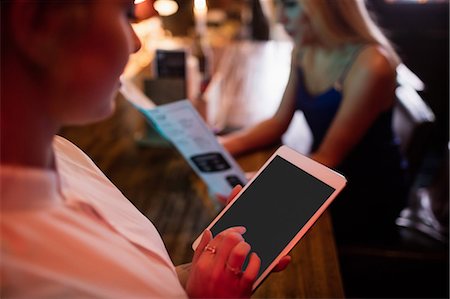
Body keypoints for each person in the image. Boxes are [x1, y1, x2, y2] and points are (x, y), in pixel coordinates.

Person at [0, 1, 289, 297]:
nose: (137, 44)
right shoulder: (19, 273)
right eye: (126, 14)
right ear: (37, 23)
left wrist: (205, 272)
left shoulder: (63, 153)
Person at [220, 0, 408, 244]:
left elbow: (329, 156)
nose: (279, 20)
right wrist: (223, 145)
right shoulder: (304, 49)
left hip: (365, 190)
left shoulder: (372, 64)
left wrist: (261, 184)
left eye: (290, 5)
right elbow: (278, 122)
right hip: (322, 168)